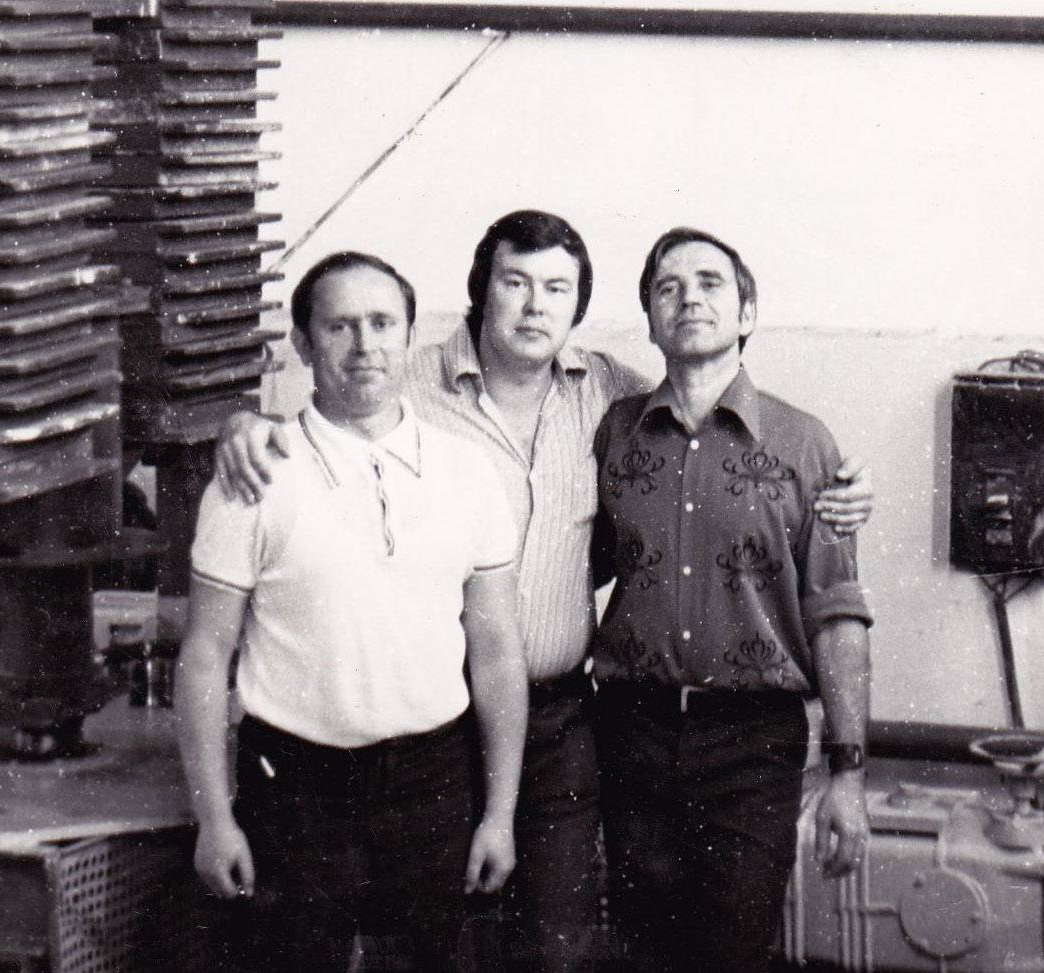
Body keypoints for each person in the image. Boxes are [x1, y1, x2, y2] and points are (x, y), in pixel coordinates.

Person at [214, 211, 874, 973]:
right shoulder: (416, 381)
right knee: (438, 942)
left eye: (557, 288)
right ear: (481, 291)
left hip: (570, 722)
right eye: (516, 283)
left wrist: (843, 487)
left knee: (564, 943)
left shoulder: (618, 400)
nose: (535, 306)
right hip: (443, 724)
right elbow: (323, 412)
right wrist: (245, 423)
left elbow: (819, 584)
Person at [177, 251, 528, 973]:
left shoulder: (467, 472)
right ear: (303, 345)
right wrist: (214, 817)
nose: (365, 345)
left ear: (410, 337)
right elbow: (205, 655)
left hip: (434, 780)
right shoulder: (253, 476)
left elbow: (496, 652)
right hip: (295, 785)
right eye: (339, 327)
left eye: (382, 323)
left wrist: (499, 814)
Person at [590, 227, 873, 973]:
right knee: (642, 954)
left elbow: (837, 616)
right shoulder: (615, 433)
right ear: (651, 321)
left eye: (710, 283)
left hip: (752, 742)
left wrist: (848, 772)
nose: (689, 298)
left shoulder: (804, 444)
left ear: (747, 313)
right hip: (632, 731)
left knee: (731, 952)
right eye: (669, 287)